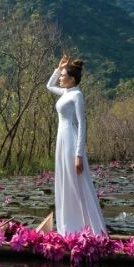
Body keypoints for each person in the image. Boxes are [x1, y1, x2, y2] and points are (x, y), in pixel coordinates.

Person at [46, 55, 106, 236]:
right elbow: (49, 85)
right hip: (61, 141)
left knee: (76, 182)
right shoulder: (66, 93)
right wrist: (58, 68)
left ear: (72, 79)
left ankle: (85, 228)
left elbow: (82, 125)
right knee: (65, 181)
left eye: (63, 75)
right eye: (62, 75)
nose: (61, 78)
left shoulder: (77, 95)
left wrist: (79, 155)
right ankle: (67, 228)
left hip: (71, 142)